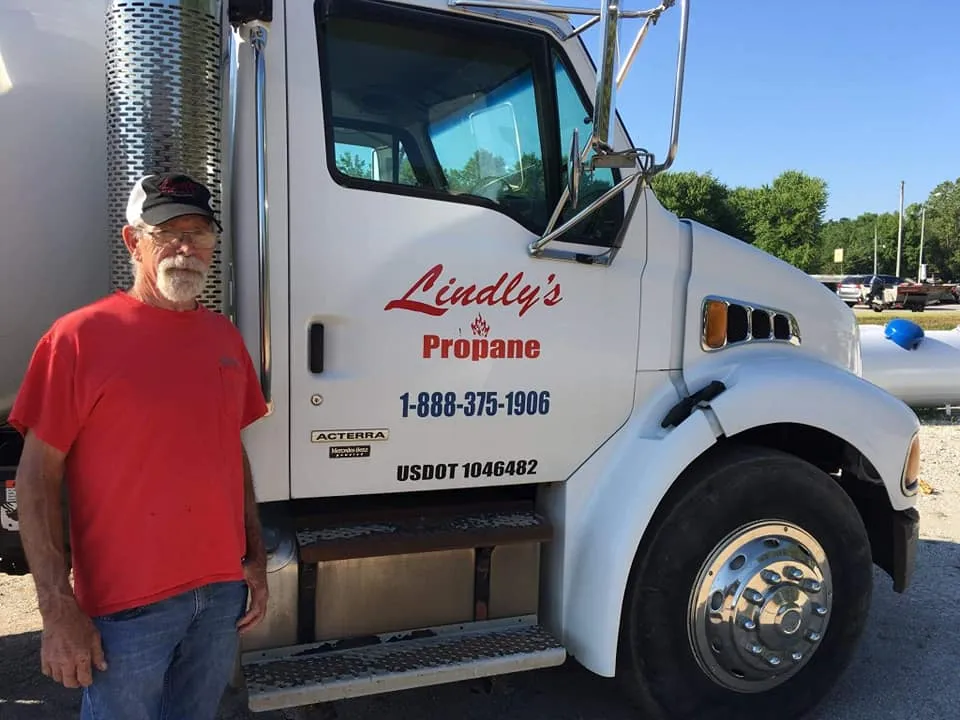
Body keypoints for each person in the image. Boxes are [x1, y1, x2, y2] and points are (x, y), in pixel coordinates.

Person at [8, 172, 270, 720]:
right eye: (167, 233)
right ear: (134, 242)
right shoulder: (78, 338)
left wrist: (254, 557)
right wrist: (57, 610)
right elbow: (35, 477)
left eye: (198, 234)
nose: (185, 248)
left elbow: (232, 453)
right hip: (127, 608)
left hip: (219, 594)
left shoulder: (224, 338)